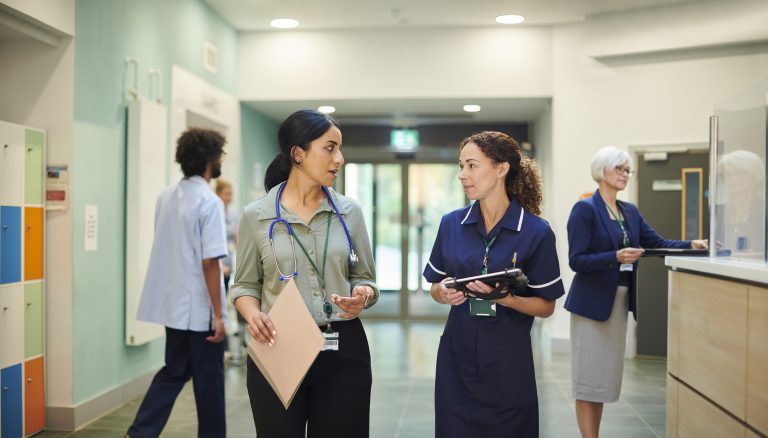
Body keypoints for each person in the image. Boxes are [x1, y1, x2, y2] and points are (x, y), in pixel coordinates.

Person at [230, 109, 378, 438]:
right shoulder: (257, 216)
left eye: (339, 148)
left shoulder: (349, 212)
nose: (339, 158)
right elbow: (243, 285)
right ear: (298, 153)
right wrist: (253, 315)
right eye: (330, 147)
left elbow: (365, 278)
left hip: (343, 349)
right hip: (278, 344)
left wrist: (362, 296)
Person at [423, 131, 565, 438]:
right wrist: (443, 292)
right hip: (456, 358)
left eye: (472, 166)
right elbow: (434, 286)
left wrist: (505, 299)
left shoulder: (536, 232)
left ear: (501, 169)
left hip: (508, 364)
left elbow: (546, 306)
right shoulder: (451, 224)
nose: (463, 175)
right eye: (461, 166)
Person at [565, 146, 708, 438]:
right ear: (602, 170)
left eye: (628, 170)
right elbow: (576, 260)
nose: (625, 175)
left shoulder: (629, 211)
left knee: (602, 382)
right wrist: (615, 257)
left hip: (618, 304)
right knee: (587, 382)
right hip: (591, 305)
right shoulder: (585, 209)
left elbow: (656, 243)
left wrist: (692, 245)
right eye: (619, 169)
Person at [126, 128, 228, 438]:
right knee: (209, 384)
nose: (222, 158)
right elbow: (210, 262)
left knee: (175, 371)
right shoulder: (209, 203)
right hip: (200, 310)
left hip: (174, 308)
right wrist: (219, 314)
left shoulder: (166, 196)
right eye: (220, 153)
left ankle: (139, 433)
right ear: (209, 160)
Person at [215, 178, 239, 292]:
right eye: (227, 194)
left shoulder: (233, 215)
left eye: (231, 194)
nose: (230, 197)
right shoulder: (214, 215)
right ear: (218, 194)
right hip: (216, 266)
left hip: (229, 265)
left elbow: (237, 241)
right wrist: (219, 266)